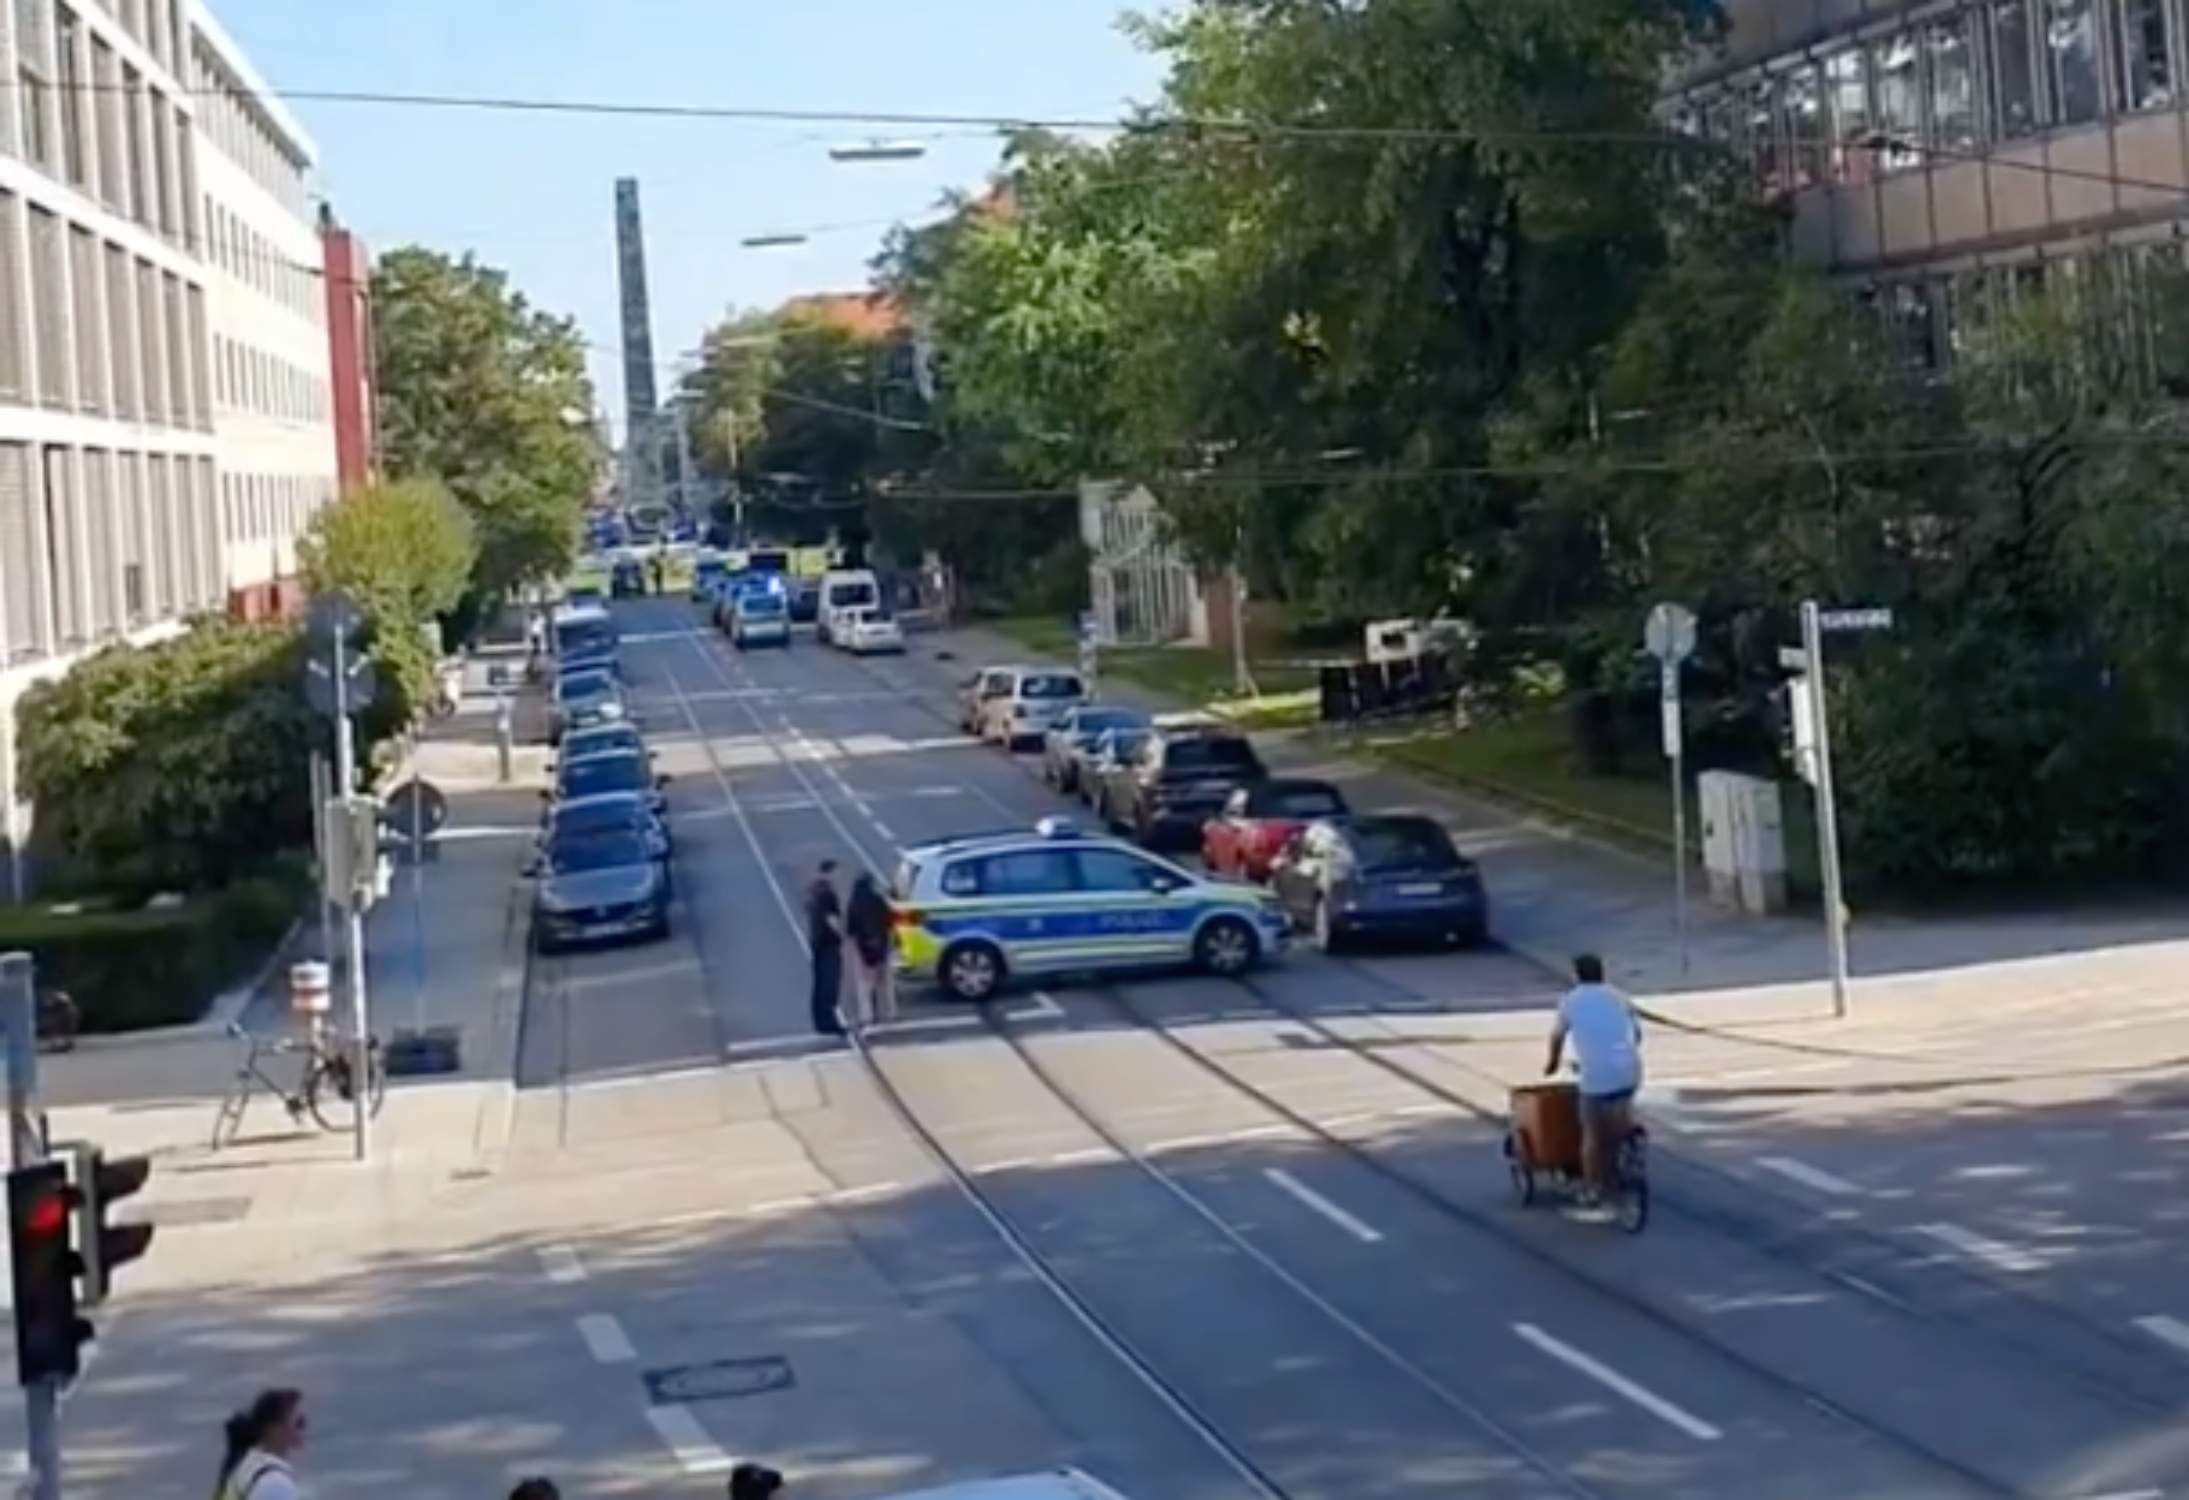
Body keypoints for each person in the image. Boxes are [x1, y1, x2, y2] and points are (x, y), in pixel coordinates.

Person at [1544, 953, 1642, 1202]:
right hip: (1628, 1068)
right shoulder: (1619, 996)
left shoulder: (1570, 1001)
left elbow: (1557, 1036)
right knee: (1622, 1102)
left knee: (1592, 1135)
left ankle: (1593, 1188)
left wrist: (1553, 1064)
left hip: (1597, 1078)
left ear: (1576, 976)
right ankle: (1629, 1138)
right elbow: (1637, 1034)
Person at [215, 1388, 307, 1500]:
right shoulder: (275, 1483)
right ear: (273, 1428)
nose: (303, 1427)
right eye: (298, 1421)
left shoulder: (248, 1465)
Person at [845, 871, 896, 1030]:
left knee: (864, 984)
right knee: (885, 982)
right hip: (882, 944)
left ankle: (867, 1015)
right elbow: (889, 922)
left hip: (862, 948)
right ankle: (889, 1011)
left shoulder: (854, 904)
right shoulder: (879, 900)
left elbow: (850, 930)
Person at [805, 858, 845, 1036]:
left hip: (816, 942)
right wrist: (842, 935)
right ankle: (830, 1022)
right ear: (831, 873)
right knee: (830, 983)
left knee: (819, 983)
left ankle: (819, 1020)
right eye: (837, 873)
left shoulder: (813, 891)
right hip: (829, 944)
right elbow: (832, 920)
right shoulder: (828, 894)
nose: (839, 877)